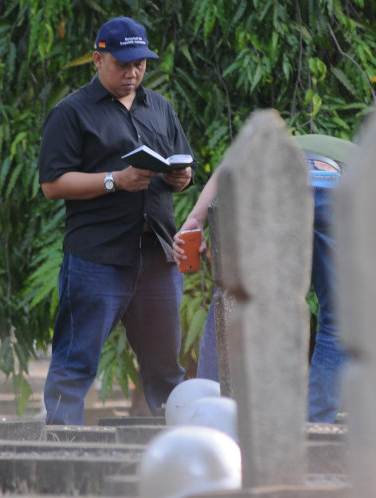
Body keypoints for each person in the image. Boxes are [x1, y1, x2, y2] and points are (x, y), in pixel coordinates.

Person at [38, 16, 195, 425]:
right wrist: (115, 180)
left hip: (157, 256)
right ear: (97, 58)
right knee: (74, 366)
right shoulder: (70, 113)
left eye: (140, 64)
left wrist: (182, 177)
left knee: (167, 373)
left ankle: (179, 455)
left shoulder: (159, 106)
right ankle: (57, 456)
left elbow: (182, 164)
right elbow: (53, 184)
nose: (132, 73)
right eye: (123, 64)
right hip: (97, 259)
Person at [173, 134, 354, 423]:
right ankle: (314, 427)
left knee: (235, 297)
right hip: (337, 189)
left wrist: (195, 218)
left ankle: (208, 412)